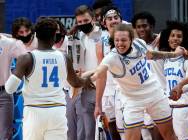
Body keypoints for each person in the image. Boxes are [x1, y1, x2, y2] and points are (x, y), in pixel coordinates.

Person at [91, 23, 185, 140]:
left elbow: (151, 55)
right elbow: (98, 72)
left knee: (169, 136)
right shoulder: (111, 58)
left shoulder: (139, 44)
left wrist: (174, 54)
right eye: (117, 40)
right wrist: (85, 79)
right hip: (132, 101)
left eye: (124, 40)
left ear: (131, 40)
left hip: (154, 93)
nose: (120, 44)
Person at [5, 18, 93, 140]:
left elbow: (9, 89)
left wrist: (15, 71)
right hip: (57, 111)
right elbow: (76, 83)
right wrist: (87, 80)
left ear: (35, 35)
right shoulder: (64, 57)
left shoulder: (26, 59)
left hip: (34, 112)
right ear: (54, 36)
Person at [160, 21, 188, 140]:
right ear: (168, 38)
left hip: (185, 106)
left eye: (179, 36)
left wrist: (177, 91)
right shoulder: (166, 59)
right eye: (172, 35)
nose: (175, 39)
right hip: (170, 107)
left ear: (184, 39)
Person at [131, 11, 164, 140]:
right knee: (146, 136)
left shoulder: (163, 42)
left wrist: (163, 34)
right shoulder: (133, 46)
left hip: (161, 95)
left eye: (145, 26)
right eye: (138, 27)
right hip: (142, 97)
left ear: (152, 26)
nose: (141, 29)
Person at [74, 5, 102, 140]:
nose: (82, 24)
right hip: (86, 88)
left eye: (85, 21)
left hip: (103, 88)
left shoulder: (103, 34)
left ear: (93, 19)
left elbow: (104, 64)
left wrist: (88, 76)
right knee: (87, 133)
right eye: (79, 22)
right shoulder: (81, 37)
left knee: (104, 131)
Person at [95, 5, 122, 140]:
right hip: (108, 90)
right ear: (103, 23)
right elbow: (101, 74)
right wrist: (98, 102)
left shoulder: (129, 35)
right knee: (111, 128)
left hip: (124, 89)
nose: (113, 21)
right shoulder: (101, 41)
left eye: (116, 18)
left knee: (129, 129)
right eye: (109, 19)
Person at [0, 34, 26, 140]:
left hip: (4, 93)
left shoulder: (9, 43)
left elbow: (26, 58)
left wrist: (16, 74)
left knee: (5, 135)